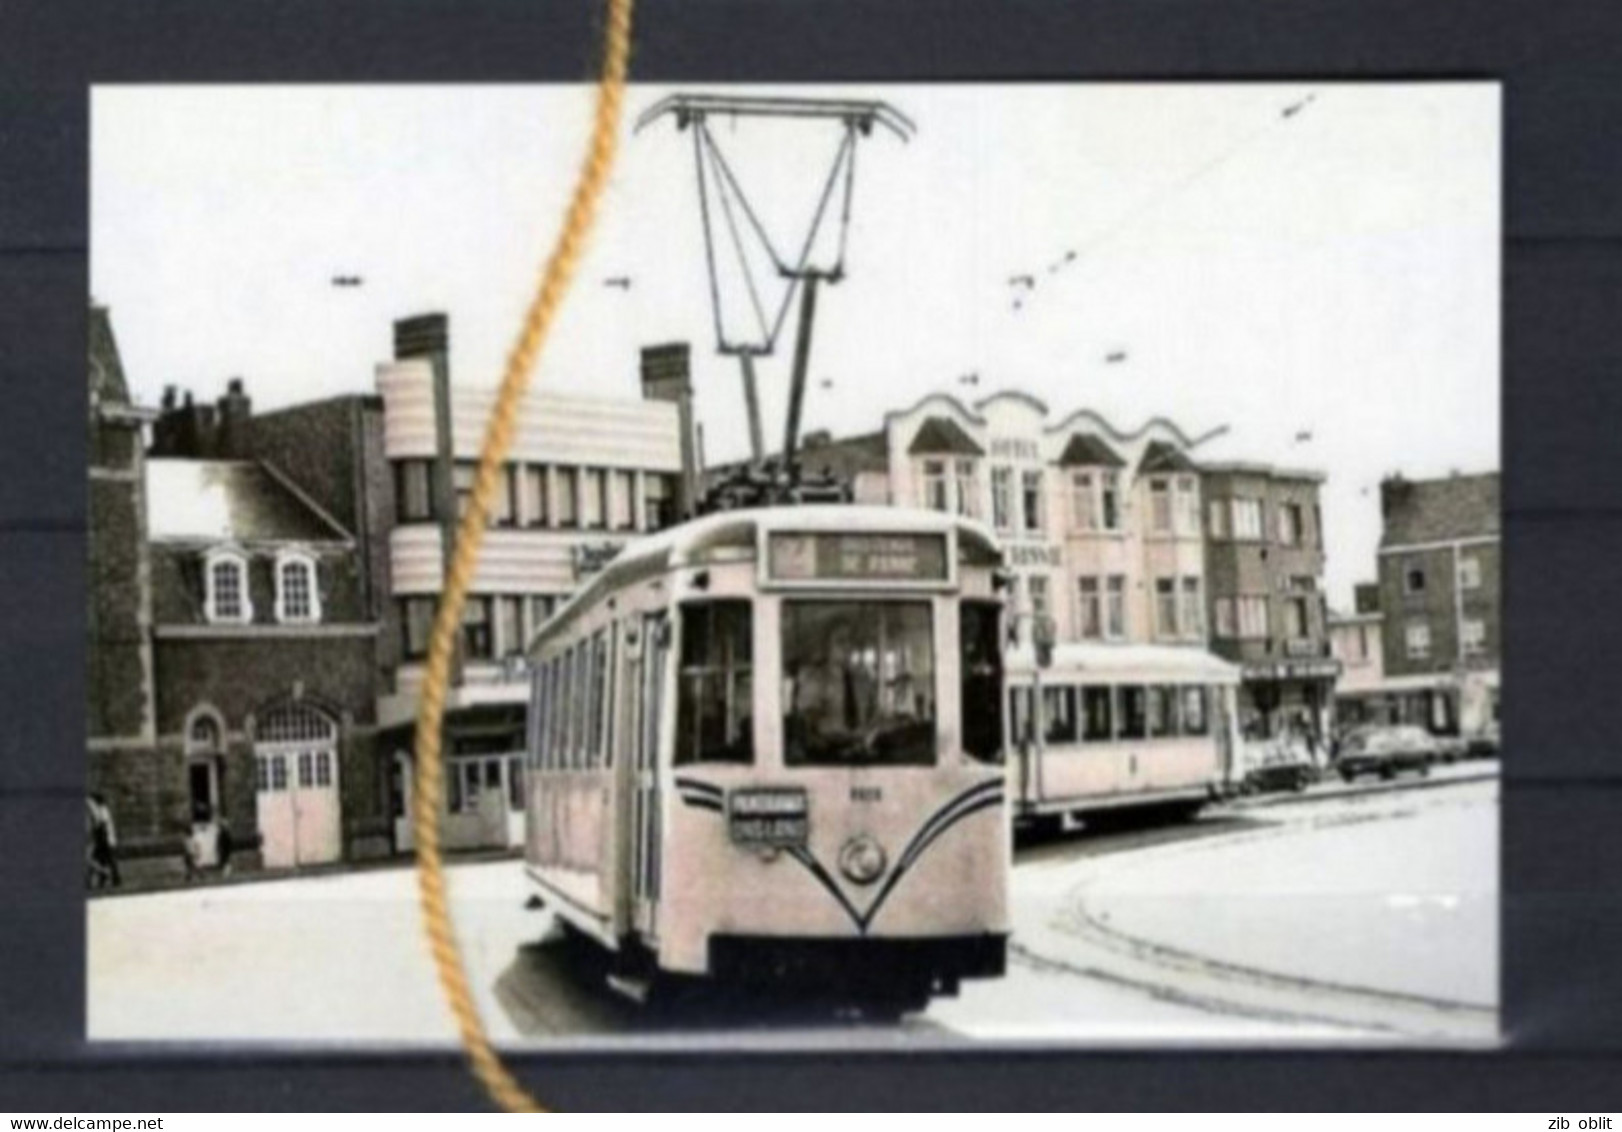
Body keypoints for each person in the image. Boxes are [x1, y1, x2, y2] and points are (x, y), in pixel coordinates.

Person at [87, 792, 121, 889]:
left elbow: (102, 826)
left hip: (106, 840)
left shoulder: (102, 810)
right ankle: (107, 879)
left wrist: (97, 836)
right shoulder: (103, 810)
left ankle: (111, 878)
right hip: (106, 839)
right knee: (104, 861)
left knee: (98, 860)